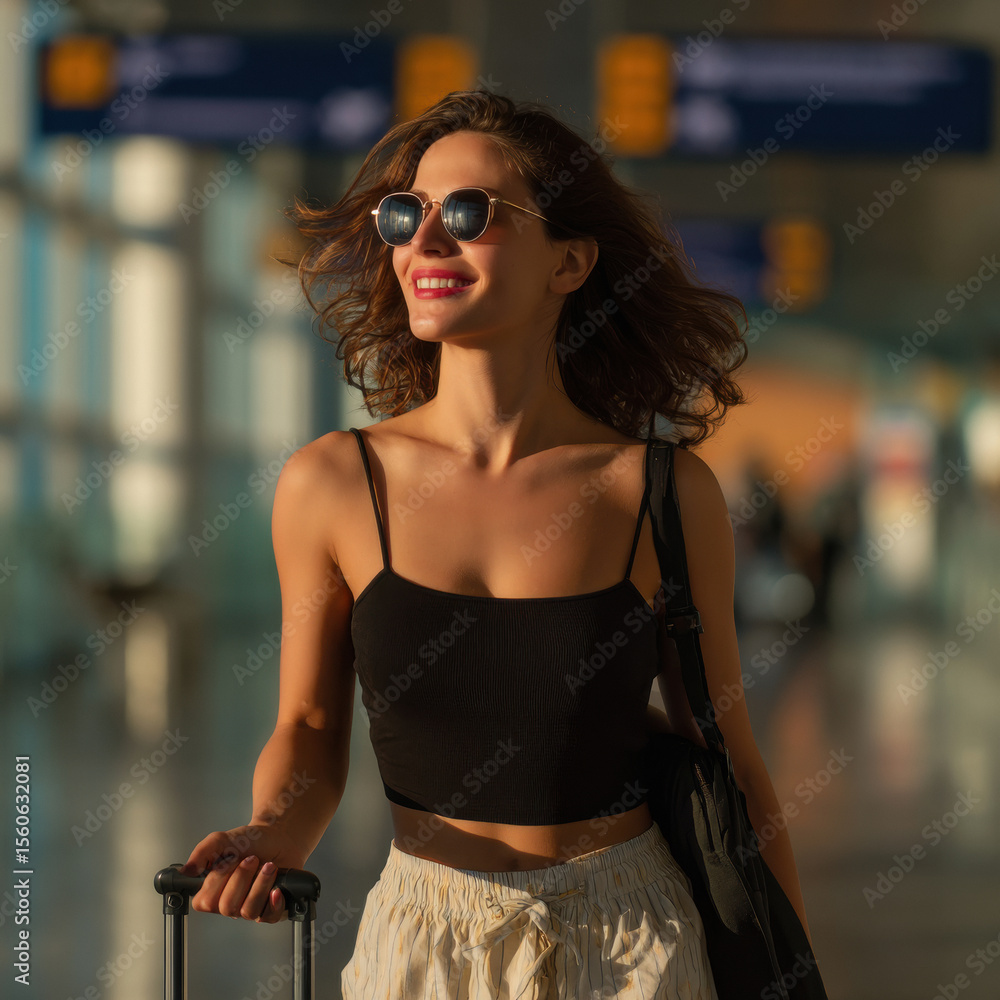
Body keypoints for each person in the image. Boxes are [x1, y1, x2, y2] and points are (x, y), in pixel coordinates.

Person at [181, 89, 815, 999]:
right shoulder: (332, 484)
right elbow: (312, 729)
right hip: (422, 944)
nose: (425, 242)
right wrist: (273, 831)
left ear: (570, 261)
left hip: (633, 943)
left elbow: (731, 761)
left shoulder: (661, 493)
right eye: (407, 215)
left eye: (469, 214)